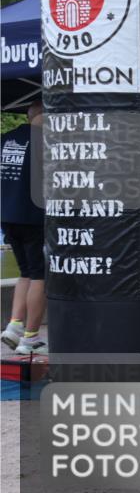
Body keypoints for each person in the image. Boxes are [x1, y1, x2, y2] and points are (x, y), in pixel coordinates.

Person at [1, 101, 48, 355]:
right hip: (33, 215)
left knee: (25, 272)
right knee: (40, 275)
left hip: (8, 214)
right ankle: (30, 337)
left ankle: (14, 325)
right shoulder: (44, 141)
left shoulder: (7, 139)